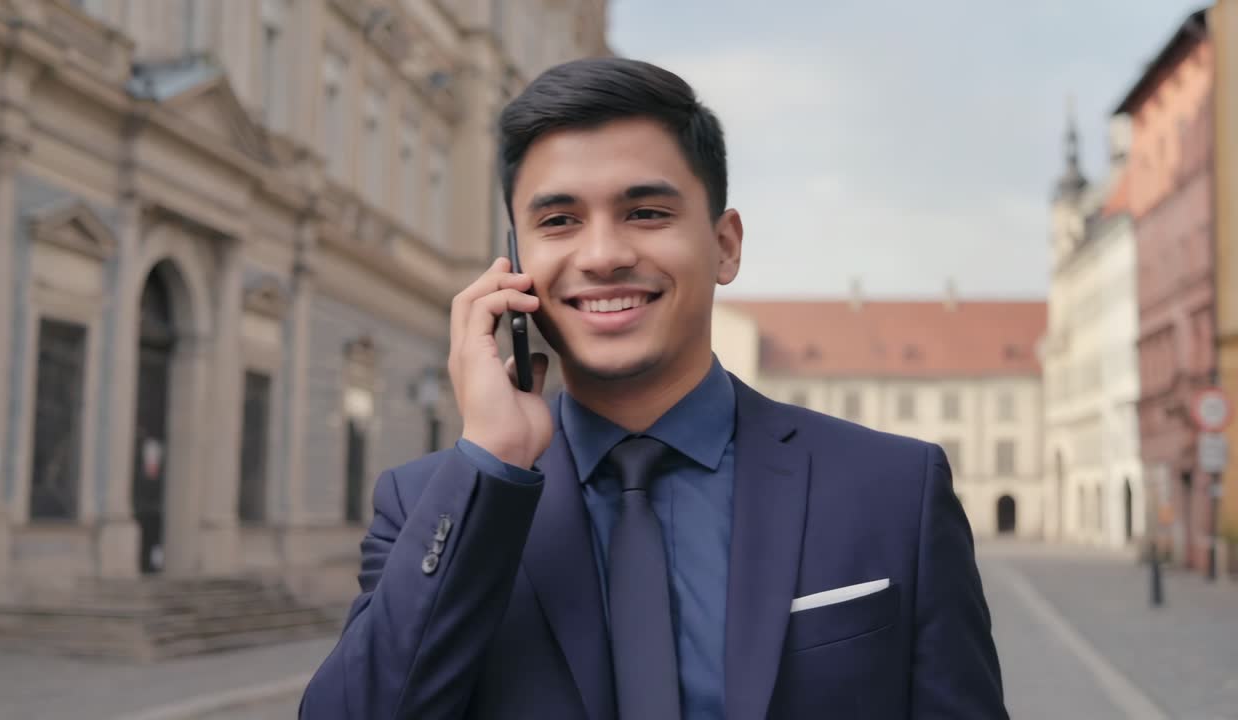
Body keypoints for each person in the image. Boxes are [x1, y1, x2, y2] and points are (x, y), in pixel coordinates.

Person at [300, 56, 1007, 720]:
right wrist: (491, 461)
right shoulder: (431, 504)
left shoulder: (893, 489)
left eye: (646, 213)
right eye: (558, 221)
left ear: (725, 245)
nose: (604, 255)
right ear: (514, 264)